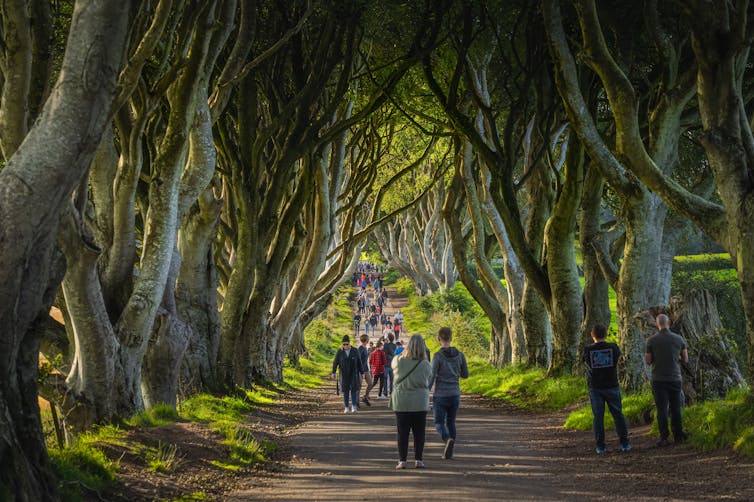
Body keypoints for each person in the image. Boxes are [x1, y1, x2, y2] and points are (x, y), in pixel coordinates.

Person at [582, 323, 630, 454]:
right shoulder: (613, 347)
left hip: (595, 387)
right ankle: (624, 443)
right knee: (618, 415)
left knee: (598, 417)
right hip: (612, 385)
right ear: (606, 334)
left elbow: (584, 363)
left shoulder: (587, 350)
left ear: (592, 335)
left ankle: (600, 446)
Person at [645, 314, 689, 446]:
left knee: (662, 409)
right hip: (675, 378)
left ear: (657, 324)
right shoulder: (679, 339)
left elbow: (648, 361)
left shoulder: (651, 341)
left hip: (658, 379)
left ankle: (664, 437)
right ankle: (678, 435)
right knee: (676, 407)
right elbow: (685, 359)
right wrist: (676, 358)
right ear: (668, 323)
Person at [391, 334, 433, 469]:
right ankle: (418, 459)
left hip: (401, 400)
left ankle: (402, 460)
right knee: (419, 432)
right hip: (420, 401)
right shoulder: (425, 364)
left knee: (402, 432)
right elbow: (428, 379)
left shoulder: (397, 360)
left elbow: (393, 369)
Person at [430, 327, 469, 460]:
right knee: (451, 422)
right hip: (455, 394)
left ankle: (447, 440)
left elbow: (432, 375)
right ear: (451, 339)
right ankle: (450, 448)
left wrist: (426, 391)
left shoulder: (437, 356)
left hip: (440, 394)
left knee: (439, 422)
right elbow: (465, 375)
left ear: (439, 339)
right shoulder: (460, 355)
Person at [331, 335, 365, 413]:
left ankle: (354, 406)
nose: (345, 346)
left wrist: (362, 372)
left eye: (347, 344)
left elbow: (359, 362)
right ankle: (346, 407)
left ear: (349, 343)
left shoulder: (355, 351)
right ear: (342, 344)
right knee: (345, 391)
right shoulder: (340, 352)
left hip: (353, 373)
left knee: (353, 390)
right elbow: (335, 362)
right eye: (344, 344)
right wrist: (333, 372)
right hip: (343, 374)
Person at [358, 334, 374, 406]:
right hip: (360, 370)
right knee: (359, 386)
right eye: (368, 339)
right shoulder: (360, 349)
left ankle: (365, 396)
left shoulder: (365, 348)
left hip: (366, 369)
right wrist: (361, 371)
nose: (368, 340)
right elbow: (358, 360)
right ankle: (357, 401)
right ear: (366, 340)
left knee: (370, 383)